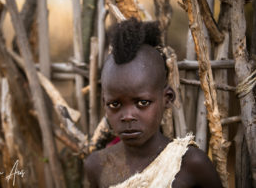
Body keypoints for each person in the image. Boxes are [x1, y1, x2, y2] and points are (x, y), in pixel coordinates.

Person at [84, 18, 223, 188]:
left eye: (142, 103)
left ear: (168, 98)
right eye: (115, 105)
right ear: (104, 103)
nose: (128, 116)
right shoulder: (97, 166)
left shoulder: (189, 164)